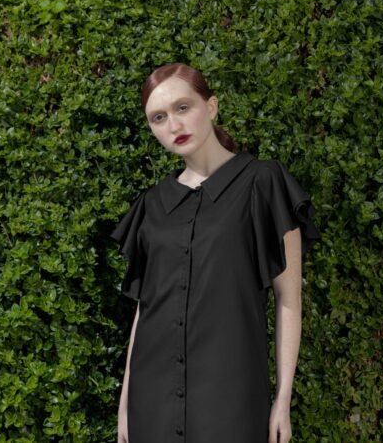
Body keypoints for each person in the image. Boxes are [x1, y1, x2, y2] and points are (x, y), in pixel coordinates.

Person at [110, 63, 321, 443]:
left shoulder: (263, 182)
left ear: (211, 106)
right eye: (158, 117)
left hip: (232, 396)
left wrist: (283, 399)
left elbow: (289, 299)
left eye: (182, 107)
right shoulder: (152, 204)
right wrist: (126, 402)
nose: (173, 125)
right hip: (150, 399)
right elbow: (146, 306)